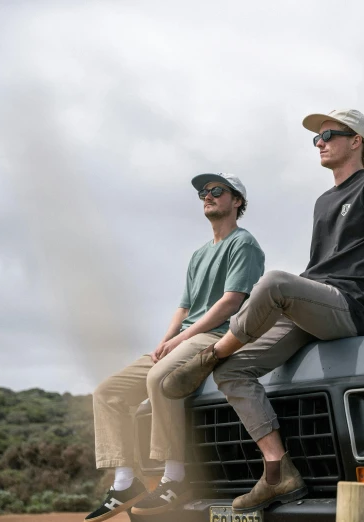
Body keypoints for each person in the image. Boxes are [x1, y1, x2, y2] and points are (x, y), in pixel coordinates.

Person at [161, 109, 364, 514]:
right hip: (312, 302)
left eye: (330, 134)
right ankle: (278, 473)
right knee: (233, 372)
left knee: (274, 282)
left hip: (348, 305)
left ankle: (211, 353)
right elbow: (318, 269)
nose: (320, 142)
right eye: (316, 138)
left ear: (357, 141)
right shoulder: (323, 201)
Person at [85, 173, 265, 521]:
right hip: (185, 337)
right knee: (108, 391)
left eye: (217, 191)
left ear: (238, 201)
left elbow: (230, 303)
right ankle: (124, 482)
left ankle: (175, 478)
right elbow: (184, 307)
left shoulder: (244, 244)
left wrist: (182, 338)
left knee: (162, 381)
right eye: (203, 192)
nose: (207, 196)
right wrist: (166, 340)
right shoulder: (199, 254)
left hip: (218, 335)